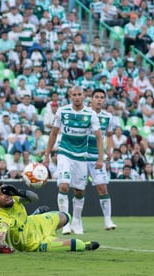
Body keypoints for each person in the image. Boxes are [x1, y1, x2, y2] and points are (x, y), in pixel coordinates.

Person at [43, 86, 103, 235]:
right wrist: (46, 155)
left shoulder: (91, 114)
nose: (77, 97)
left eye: (79, 94)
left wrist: (100, 158)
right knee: (63, 186)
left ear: (84, 96)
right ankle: (65, 223)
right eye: (74, 95)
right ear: (70, 96)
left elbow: (99, 137)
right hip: (65, 153)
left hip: (82, 156)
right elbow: (53, 134)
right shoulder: (62, 111)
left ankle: (77, 220)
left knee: (79, 191)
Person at [0, 181, 100, 252]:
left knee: (66, 216)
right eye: (2, 194)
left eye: (6, 192)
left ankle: (36, 216)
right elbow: (0, 235)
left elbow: (34, 198)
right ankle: (85, 246)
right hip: (34, 243)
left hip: (35, 223)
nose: (7, 196)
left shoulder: (13, 197)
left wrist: (18, 192)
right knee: (77, 244)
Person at [86, 88, 117, 231]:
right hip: (81, 156)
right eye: (96, 97)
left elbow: (109, 135)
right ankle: (74, 222)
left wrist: (108, 151)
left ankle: (108, 220)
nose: (99, 99)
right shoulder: (84, 114)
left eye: (101, 97)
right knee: (77, 190)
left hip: (96, 157)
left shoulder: (108, 117)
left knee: (102, 187)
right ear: (91, 99)